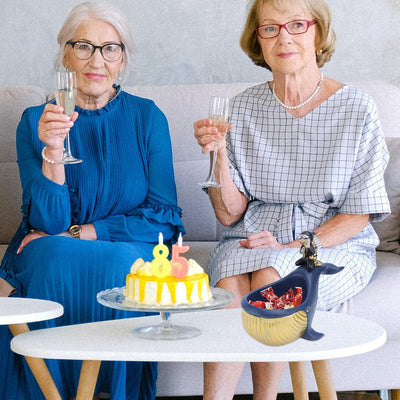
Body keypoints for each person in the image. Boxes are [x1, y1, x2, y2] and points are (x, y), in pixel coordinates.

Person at [193, 0, 390, 398]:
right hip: (251, 237)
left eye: (296, 25)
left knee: (273, 275)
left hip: (331, 243)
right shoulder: (241, 107)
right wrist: (217, 156)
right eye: (270, 28)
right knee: (230, 287)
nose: (283, 37)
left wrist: (293, 245)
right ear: (258, 40)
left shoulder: (357, 108)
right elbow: (229, 214)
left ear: (317, 32)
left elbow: (357, 216)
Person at [0, 2, 184, 399]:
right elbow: (46, 224)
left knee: (123, 264)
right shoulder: (35, 119)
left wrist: (84, 232)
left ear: (123, 60)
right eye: (83, 46)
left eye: (109, 48)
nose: (96, 59)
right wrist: (53, 151)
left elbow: (164, 218)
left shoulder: (148, 118)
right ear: (65, 54)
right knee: (50, 257)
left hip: (125, 245)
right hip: (49, 244)